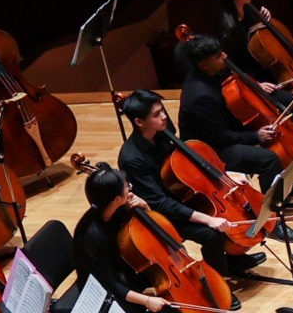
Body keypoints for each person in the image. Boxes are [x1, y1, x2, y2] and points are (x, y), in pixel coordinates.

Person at [117, 89, 273, 282]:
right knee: (211, 234)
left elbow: (187, 164)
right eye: (157, 114)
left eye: (163, 110)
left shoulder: (164, 132)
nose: (165, 116)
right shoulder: (133, 159)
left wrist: (224, 176)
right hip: (163, 213)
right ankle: (219, 280)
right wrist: (207, 219)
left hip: (184, 195)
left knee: (223, 213)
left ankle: (233, 260)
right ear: (139, 122)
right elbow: (160, 203)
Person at [173, 34, 285, 196]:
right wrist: (255, 136)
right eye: (218, 56)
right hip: (209, 152)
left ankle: (281, 191)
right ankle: (274, 205)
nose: (224, 56)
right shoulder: (201, 95)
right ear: (204, 64)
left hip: (219, 137)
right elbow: (220, 137)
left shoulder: (210, 73)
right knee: (268, 159)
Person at [70, 166, 181, 313]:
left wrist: (146, 208)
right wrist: (147, 301)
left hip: (124, 268)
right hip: (103, 288)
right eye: (126, 186)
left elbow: (153, 231)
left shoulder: (117, 209)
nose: (129, 189)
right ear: (115, 199)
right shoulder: (92, 236)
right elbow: (110, 284)